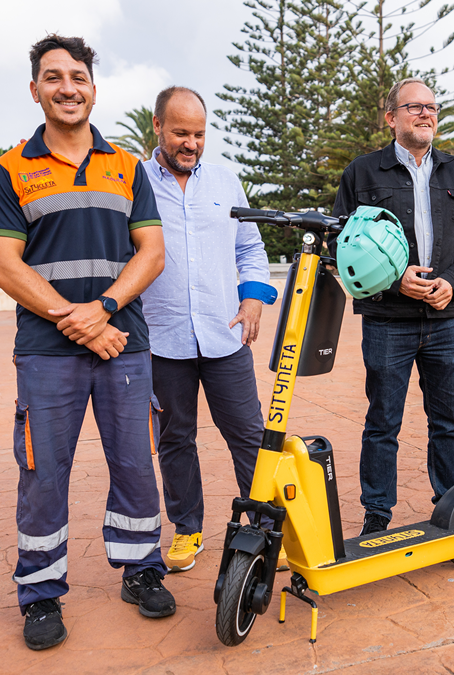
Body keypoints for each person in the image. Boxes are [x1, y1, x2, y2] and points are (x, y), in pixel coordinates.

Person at [0, 34, 173, 652]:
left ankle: (142, 569)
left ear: (94, 88)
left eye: (79, 77)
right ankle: (40, 594)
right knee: (42, 474)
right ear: (35, 89)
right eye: (54, 77)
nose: (68, 87)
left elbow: (152, 251)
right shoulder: (10, 169)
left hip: (125, 340)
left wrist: (107, 309)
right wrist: (78, 318)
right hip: (48, 351)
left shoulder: (128, 166)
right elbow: (4, 264)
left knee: (137, 464)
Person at [331, 77, 454, 535]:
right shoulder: (362, 174)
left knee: (448, 420)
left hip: (447, 319)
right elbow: (341, 243)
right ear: (391, 118)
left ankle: (451, 505)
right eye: (414, 107)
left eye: (431, 107)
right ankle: (376, 515)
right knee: (383, 421)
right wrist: (391, 280)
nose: (425, 114)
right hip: (388, 321)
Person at [140, 86, 276, 572]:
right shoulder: (134, 183)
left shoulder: (225, 182)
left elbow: (250, 249)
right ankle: (187, 529)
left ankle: (263, 527)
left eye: (199, 134)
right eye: (180, 132)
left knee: (247, 434)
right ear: (157, 126)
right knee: (175, 439)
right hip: (162, 340)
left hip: (225, 335)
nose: (191, 143)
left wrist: (254, 297)